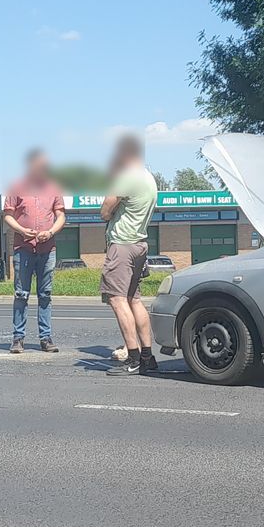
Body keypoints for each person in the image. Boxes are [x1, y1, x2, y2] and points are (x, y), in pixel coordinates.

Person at [99, 135, 158, 375]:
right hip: (140, 244)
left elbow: (105, 209)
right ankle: (147, 356)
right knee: (134, 299)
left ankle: (132, 358)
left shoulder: (127, 177)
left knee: (117, 298)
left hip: (122, 244)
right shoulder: (149, 177)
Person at [1, 148, 66, 353]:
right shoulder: (17, 187)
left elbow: (61, 215)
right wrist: (22, 230)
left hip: (47, 248)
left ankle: (45, 338)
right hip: (24, 248)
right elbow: (8, 215)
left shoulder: (54, 187)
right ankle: (18, 338)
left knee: (45, 294)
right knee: (21, 294)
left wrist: (51, 231)